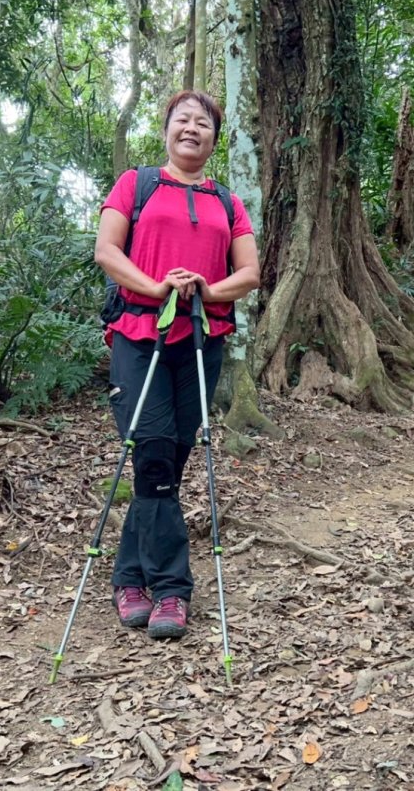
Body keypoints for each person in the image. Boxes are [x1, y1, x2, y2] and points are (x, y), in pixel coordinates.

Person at [94, 90, 260, 639]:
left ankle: (127, 578)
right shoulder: (135, 184)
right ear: (166, 129)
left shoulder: (228, 202)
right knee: (153, 451)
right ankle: (170, 589)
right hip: (139, 337)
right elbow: (107, 252)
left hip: (199, 339)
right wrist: (156, 286)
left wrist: (208, 289)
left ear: (215, 138)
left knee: (167, 460)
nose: (192, 129)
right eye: (183, 120)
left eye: (204, 124)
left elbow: (251, 273)